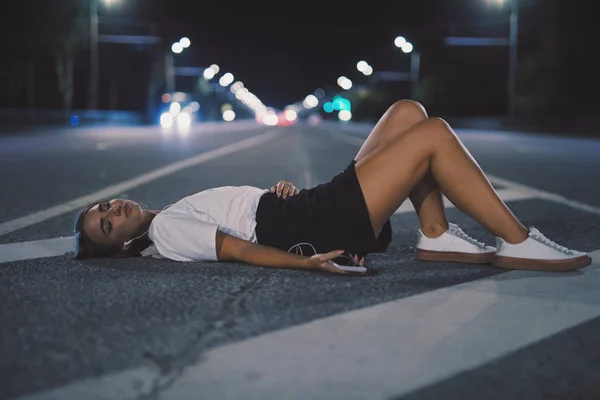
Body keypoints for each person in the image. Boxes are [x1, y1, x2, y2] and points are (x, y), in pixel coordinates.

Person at [72, 100, 592, 274]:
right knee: (431, 134)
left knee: (407, 114)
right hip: (310, 225)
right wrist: (305, 261)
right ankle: (520, 242)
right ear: (121, 243)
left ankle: (435, 233)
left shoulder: (166, 221)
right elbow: (239, 249)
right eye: (107, 223)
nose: (112, 208)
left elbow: (239, 217)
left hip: (301, 211)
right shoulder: (165, 233)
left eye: (104, 207)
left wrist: (272, 196)